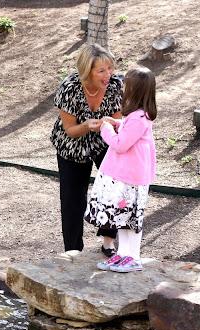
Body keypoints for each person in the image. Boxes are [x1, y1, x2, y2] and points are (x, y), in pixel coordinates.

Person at [50, 43, 123, 256]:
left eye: (110, 68)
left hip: (104, 141)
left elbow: (119, 124)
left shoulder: (115, 85)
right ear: (87, 71)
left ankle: (108, 241)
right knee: (73, 199)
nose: (108, 74)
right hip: (72, 144)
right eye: (101, 71)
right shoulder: (69, 87)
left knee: (114, 187)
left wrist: (112, 125)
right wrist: (86, 125)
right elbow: (70, 130)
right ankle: (73, 250)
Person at [85, 67, 157, 273]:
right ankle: (123, 253)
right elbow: (128, 129)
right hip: (124, 178)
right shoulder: (137, 115)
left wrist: (106, 129)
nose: (123, 88)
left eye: (126, 85)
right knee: (122, 217)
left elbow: (121, 144)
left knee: (131, 218)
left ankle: (134, 257)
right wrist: (116, 123)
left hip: (131, 179)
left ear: (133, 89)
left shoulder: (139, 117)